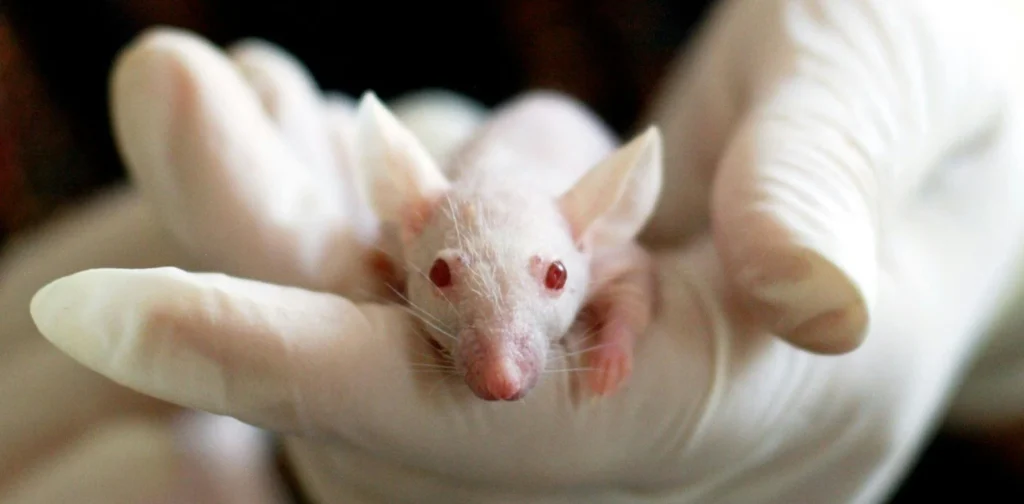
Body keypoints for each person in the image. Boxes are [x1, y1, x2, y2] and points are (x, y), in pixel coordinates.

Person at [5, 0, 1024, 501]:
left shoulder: (600, 238)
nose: (500, 372)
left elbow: (622, 279)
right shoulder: (413, 224)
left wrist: (996, 295)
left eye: (554, 284)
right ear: (407, 217)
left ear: (603, 219)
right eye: (438, 278)